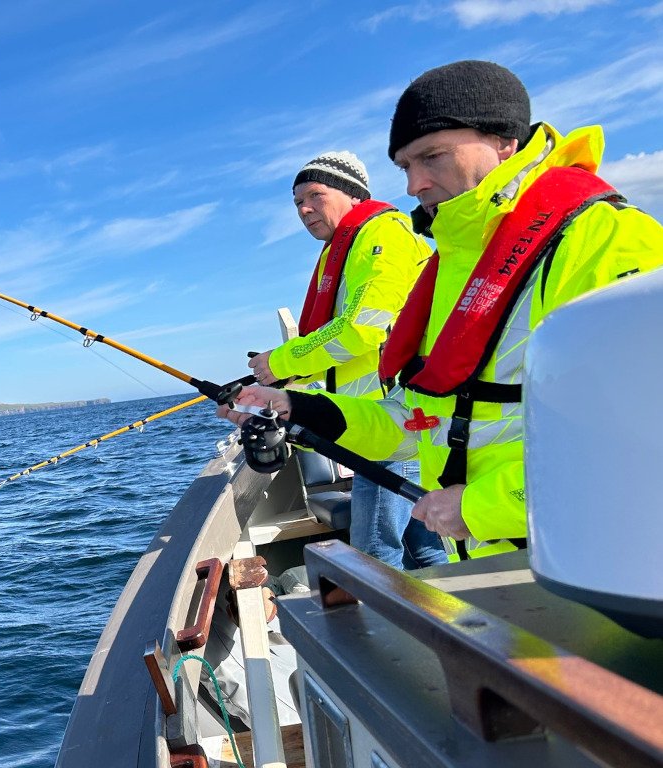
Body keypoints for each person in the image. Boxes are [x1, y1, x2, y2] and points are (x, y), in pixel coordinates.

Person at [222, 60, 663, 559]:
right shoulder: (453, 266)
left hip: (592, 567)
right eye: (405, 166)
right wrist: (295, 406)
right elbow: (414, 422)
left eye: (432, 156)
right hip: (499, 572)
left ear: (504, 141)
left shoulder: (610, 242)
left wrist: (480, 508)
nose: (414, 184)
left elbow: (644, 443)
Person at [252, 150, 445, 569]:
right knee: (424, 549)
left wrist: (283, 362)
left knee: (373, 554)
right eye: (297, 202)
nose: (304, 209)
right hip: (377, 426)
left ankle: (385, 634)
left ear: (353, 194)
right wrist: (285, 376)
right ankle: (463, 626)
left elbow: (364, 328)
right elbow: (352, 350)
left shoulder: (383, 236)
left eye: (314, 195)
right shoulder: (347, 249)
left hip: (396, 424)